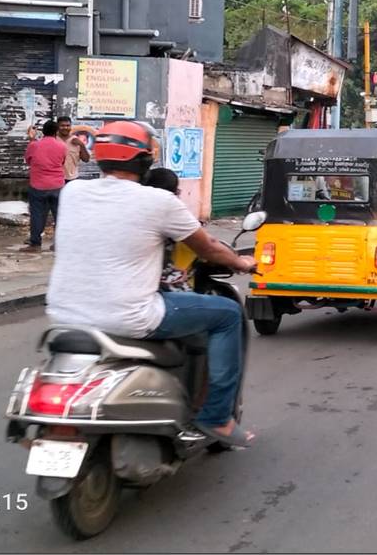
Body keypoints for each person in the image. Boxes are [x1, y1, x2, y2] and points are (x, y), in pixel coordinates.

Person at [46, 121, 259, 447]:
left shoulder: (71, 192)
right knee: (228, 314)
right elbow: (210, 248)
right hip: (130, 316)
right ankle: (217, 418)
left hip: (63, 316)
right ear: (145, 162)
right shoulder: (160, 202)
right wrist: (242, 262)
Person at [23, 119, 67, 252]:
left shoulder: (34, 145)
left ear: (43, 132)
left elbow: (28, 161)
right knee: (59, 215)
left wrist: (31, 139)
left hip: (38, 185)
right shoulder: (62, 146)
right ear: (56, 132)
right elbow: (62, 161)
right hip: (57, 185)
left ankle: (35, 244)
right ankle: (58, 244)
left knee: (37, 215)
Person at [57, 115, 91, 182]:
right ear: (57, 126)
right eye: (62, 125)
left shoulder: (76, 140)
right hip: (56, 177)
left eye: (68, 125)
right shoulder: (53, 139)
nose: (65, 128)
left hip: (72, 179)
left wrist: (81, 145)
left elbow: (86, 159)